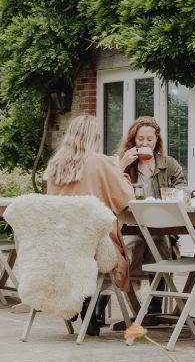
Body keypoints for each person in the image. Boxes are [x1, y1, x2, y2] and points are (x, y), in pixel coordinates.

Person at [43, 114, 133, 336]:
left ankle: (78, 299)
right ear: (94, 137)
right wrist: (122, 173)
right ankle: (87, 300)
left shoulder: (55, 165)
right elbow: (124, 199)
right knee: (133, 249)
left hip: (62, 242)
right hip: (94, 245)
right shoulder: (99, 162)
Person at [116, 116, 187, 327]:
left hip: (161, 227)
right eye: (140, 139)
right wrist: (121, 166)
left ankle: (155, 304)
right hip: (130, 228)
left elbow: (182, 188)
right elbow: (109, 189)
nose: (145, 144)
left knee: (159, 241)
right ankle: (108, 298)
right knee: (131, 248)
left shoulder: (169, 164)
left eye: (149, 139)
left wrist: (172, 193)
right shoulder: (125, 163)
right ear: (133, 141)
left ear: (157, 141)